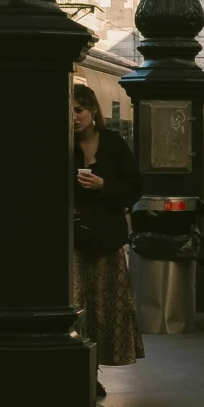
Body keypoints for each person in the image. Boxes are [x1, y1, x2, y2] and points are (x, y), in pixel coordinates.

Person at [72, 83, 142, 368]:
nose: (74, 117)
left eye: (79, 110)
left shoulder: (113, 144)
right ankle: (80, 366)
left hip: (106, 238)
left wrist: (104, 186)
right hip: (73, 239)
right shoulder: (62, 144)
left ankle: (97, 367)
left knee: (105, 307)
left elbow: (134, 188)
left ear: (93, 111)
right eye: (69, 112)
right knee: (78, 306)